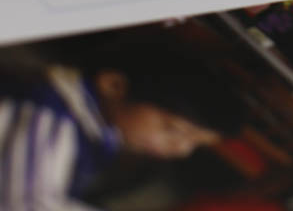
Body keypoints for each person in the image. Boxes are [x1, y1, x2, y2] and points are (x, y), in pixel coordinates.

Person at [0, 37, 243, 210]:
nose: (181, 149)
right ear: (113, 85)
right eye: (173, 130)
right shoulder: (49, 113)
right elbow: (22, 204)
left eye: (195, 145)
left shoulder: (97, 130)